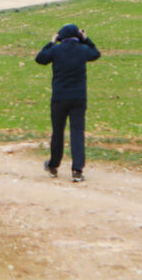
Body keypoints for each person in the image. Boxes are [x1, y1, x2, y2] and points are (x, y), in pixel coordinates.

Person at [35, 24, 101, 183]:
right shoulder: (82, 49)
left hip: (59, 97)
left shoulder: (56, 50)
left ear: (61, 37)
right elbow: (96, 53)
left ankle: (53, 165)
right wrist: (86, 39)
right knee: (77, 132)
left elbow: (40, 58)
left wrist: (51, 42)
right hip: (79, 97)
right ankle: (77, 170)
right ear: (77, 36)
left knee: (58, 131)